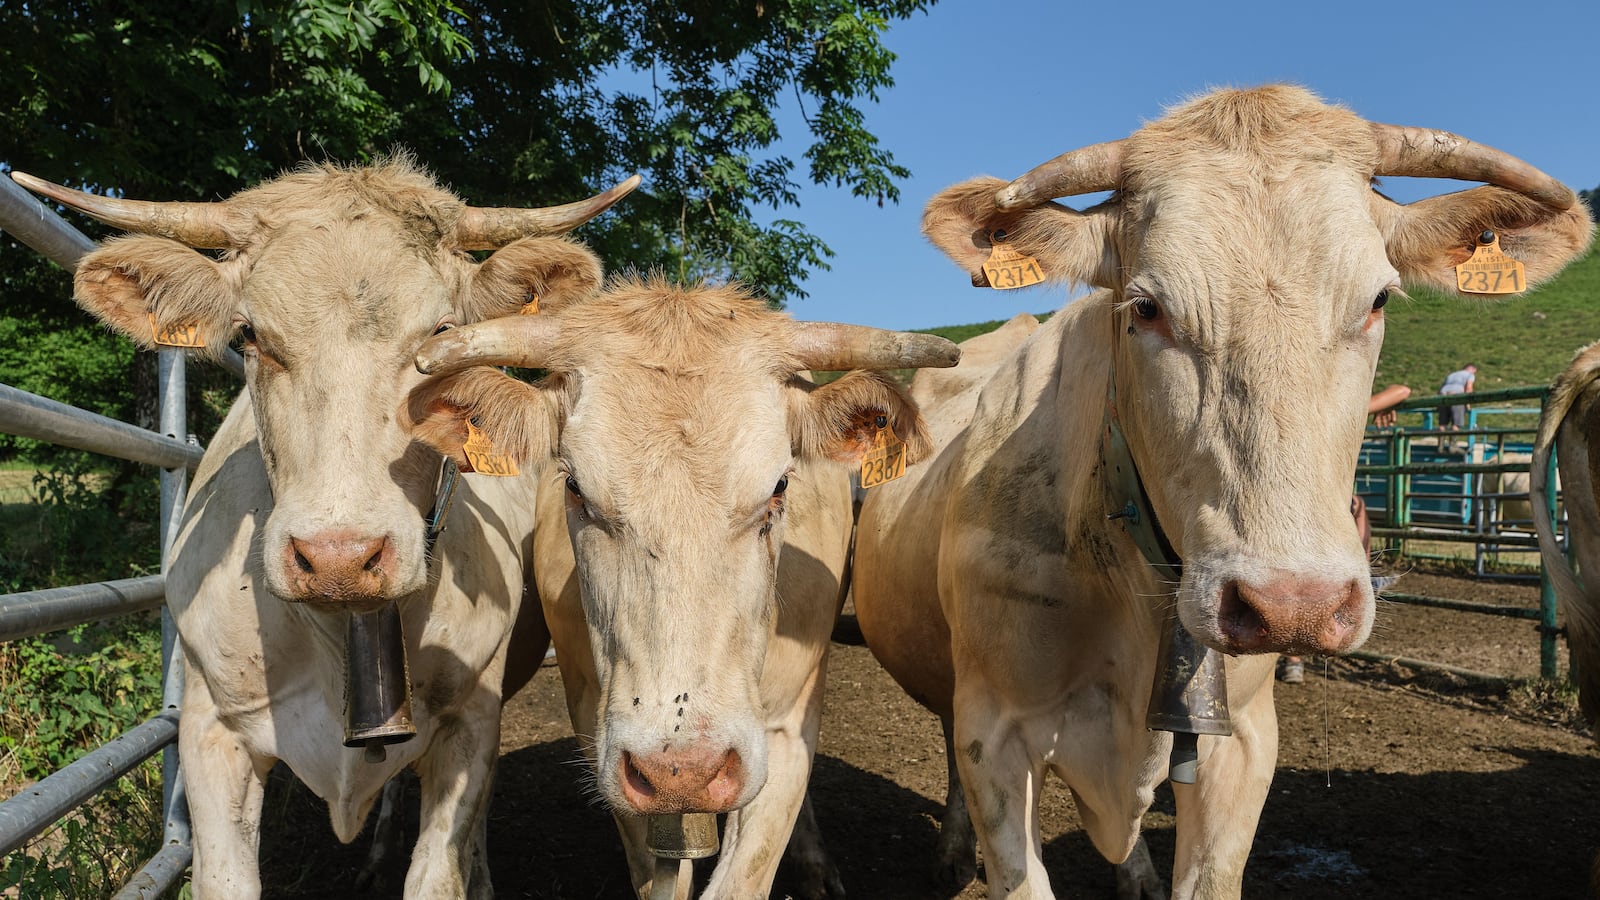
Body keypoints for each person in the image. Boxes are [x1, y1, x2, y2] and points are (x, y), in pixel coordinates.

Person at [1437, 364, 1477, 448]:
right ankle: (1453, 446)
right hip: (1456, 397)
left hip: (1443, 396)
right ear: (1472, 369)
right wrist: (1467, 403)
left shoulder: (1451, 374)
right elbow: (1469, 388)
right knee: (1456, 423)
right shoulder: (1470, 375)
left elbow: (1440, 388)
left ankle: (1440, 446)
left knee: (1442, 424)